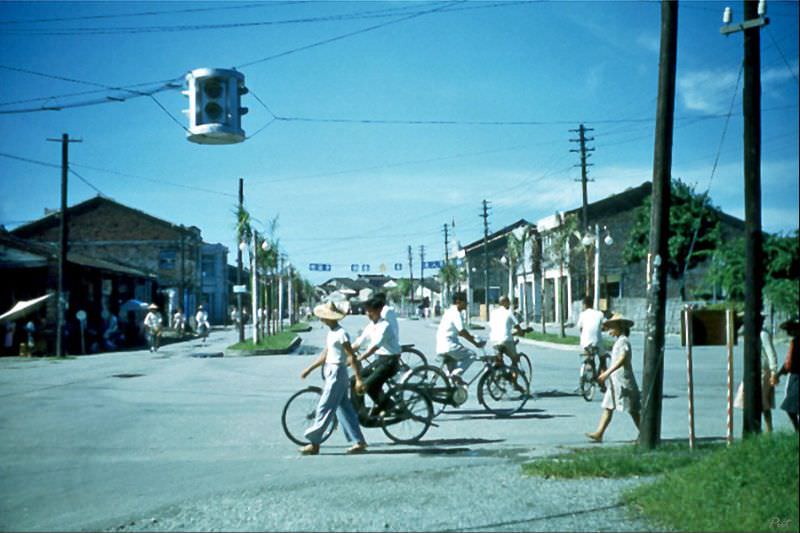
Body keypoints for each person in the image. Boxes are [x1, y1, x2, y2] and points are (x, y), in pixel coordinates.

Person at [299, 302, 368, 455]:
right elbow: (325, 354)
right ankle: (359, 441)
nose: (322, 320)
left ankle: (314, 443)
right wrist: (309, 369)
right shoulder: (332, 333)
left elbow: (351, 356)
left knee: (324, 407)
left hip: (337, 372)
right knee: (344, 409)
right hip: (332, 371)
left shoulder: (341, 334)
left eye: (324, 317)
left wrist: (358, 378)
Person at [586, 313, 641, 442]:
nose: (610, 330)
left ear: (620, 327)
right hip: (614, 382)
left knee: (633, 409)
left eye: (612, 327)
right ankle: (599, 433)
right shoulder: (618, 341)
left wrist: (607, 373)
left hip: (623, 381)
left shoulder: (623, 341)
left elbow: (622, 359)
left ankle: (644, 433)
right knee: (608, 406)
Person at [352, 297, 401, 417]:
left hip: (390, 362)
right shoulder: (371, 325)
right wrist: (346, 352)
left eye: (370, 311)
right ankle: (359, 411)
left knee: (366, 386)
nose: (368, 314)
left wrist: (359, 358)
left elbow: (374, 347)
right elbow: (359, 342)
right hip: (379, 360)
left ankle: (391, 407)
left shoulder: (385, 326)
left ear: (379, 310)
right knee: (354, 381)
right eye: (367, 311)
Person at [734, 314, 779, 431]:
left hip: (763, 371)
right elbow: (736, 331)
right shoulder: (749, 333)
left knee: (762, 401)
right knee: (746, 397)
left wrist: (774, 371)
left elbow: (771, 353)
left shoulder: (763, 334)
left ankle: (769, 428)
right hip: (752, 371)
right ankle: (753, 426)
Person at [436, 291, 485, 381]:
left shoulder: (448, 312)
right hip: (450, 345)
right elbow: (462, 331)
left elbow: (458, 332)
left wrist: (472, 336)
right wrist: (475, 343)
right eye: (465, 302)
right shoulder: (456, 313)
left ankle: (451, 389)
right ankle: (456, 374)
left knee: (451, 373)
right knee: (471, 355)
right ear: (458, 301)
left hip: (442, 346)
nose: (466, 304)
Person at [771, 317, 799, 432]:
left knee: (790, 405)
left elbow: (789, 363)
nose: (788, 333)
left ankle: (797, 430)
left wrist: (778, 374)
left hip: (796, 376)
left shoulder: (795, 342)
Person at [489, 296, 528, 369]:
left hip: (494, 340)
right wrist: (521, 333)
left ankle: (499, 374)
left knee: (499, 359)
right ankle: (513, 377)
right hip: (506, 340)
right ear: (504, 303)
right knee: (515, 359)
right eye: (508, 302)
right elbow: (517, 327)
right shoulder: (508, 313)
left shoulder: (493, 313)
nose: (509, 304)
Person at [577, 296, 606, 373]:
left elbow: (580, 328)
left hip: (585, 343)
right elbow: (604, 325)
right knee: (603, 359)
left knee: (587, 356)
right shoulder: (599, 314)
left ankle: (589, 365)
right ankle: (602, 378)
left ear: (584, 305)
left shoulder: (582, 314)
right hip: (597, 342)